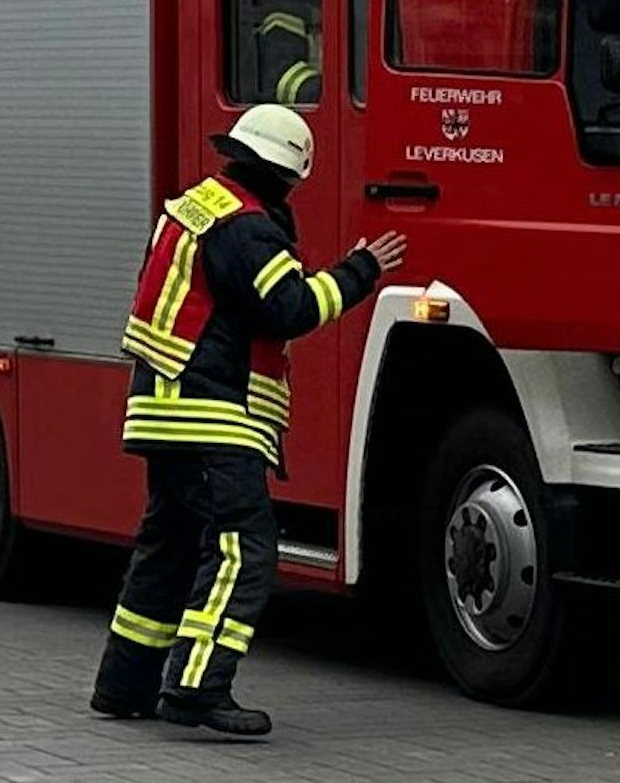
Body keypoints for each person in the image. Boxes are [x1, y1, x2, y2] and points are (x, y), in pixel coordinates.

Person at [90, 104, 407, 738]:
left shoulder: (197, 206)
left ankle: (124, 684)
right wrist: (361, 271)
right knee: (244, 548)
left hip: (166, 408)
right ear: (286, 175)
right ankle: (197, 688)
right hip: (213, 414)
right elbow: (289, 308)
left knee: (169, 549)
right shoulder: (248, 229)